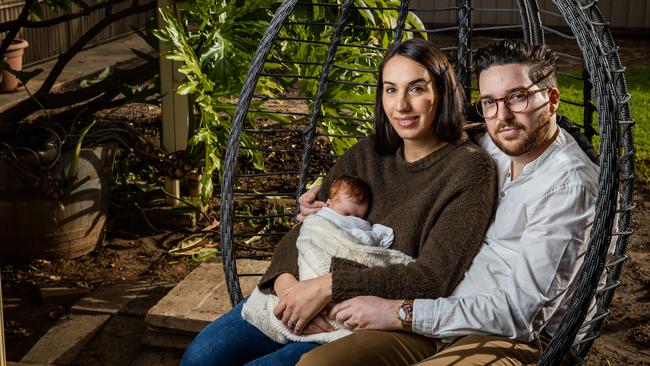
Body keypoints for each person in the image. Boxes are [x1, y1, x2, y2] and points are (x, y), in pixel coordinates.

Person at [180, 38, 498, 366]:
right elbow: (310, 227)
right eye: (390, 89)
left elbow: (433, 276)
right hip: (298, 290)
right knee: (200, 359)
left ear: (442, 93)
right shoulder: (365, 154)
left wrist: (328, 287)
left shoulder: (469, 169)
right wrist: (289, 286)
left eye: (416, 89)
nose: (400, 105)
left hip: (359, 316)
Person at [296, 39, 600, 366]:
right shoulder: (492, 143)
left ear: (552, 100)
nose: (504, 116)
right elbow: (408, 153)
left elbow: (520, 314)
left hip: (514, 339)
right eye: (490, 102)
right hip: (440, 316)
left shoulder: (568, 186)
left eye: (517, 97)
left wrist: (399, 312)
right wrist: (330, 196)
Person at [242, 175, 415, 344]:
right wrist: (286, 286)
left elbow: (366, 249)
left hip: (352, 308)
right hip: (289, 287)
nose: (352, 220)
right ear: (329, 204)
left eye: (358, 216)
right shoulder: (358, 161)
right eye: (346, 213)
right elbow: (302, 233)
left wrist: (328, 286)